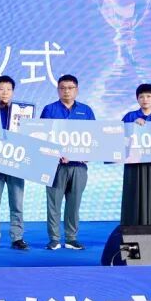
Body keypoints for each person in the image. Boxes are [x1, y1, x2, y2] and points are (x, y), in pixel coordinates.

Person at [41, 74, 95, 250]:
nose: (66, 91)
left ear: (76, 90)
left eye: (70, 88)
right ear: (58, 90)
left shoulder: (86, 111)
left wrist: (88, 154)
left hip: (79, 166)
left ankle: (71, 238)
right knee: (53, 204)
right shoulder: (49, 110)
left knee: (74, 204)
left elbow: (94, 137)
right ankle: (54, 239)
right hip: (54, 166)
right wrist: (54, 154)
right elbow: (41, 137)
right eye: (63, 88)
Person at [0, 75, 29, 251]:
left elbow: (29, 138)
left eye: (9, 89)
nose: (5, 92)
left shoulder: (22, 113)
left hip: (16, 164)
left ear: (13, 92)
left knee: (17, 204)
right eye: (1, 89)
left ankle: (17, 238)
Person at [121, 83, 151, 227]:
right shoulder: (130, 117)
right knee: (134, 196)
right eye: (141, 97)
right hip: (134, 165)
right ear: (137, 99)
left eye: (148, 96)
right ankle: (131, 228)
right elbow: (119, 139)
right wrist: (132, 126)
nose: (145, 99)